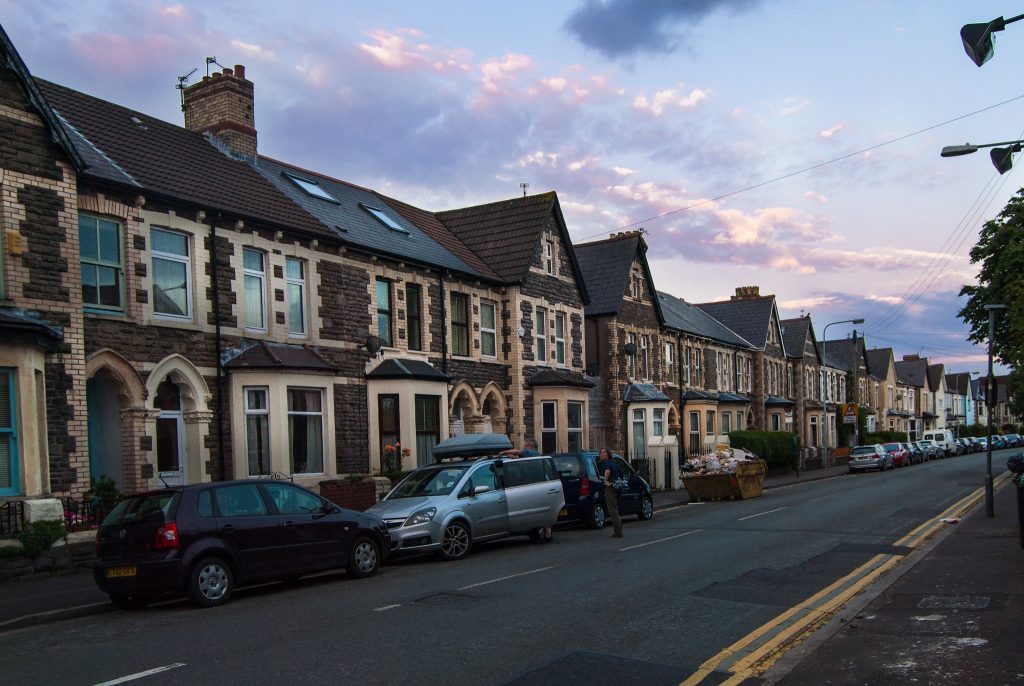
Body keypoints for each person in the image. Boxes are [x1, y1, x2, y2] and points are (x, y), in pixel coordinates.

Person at [600, 447, 623, 538]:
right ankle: (618, 529)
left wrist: (605, 481)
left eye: (603, 452)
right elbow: (621, 473)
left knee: (612, 510)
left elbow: (607, 471)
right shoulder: (614, 463)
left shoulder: (606, 462)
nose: (601, 454)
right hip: (617, 488)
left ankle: (618, 532)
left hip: (610, 488)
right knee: (615, 509)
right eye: (600, 452)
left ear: (607, 454)